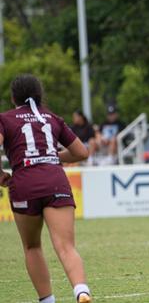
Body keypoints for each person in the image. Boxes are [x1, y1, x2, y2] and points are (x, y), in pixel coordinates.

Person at [0, 75, 92, 303]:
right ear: (40, 96)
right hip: (55, 180)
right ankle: (81, 290)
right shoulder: (52, 118)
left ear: (13, 98)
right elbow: (82, 152)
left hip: (24, 183)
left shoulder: (4, 119)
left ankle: (47, 300)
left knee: (32, 246)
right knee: (66, 247)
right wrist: (50, 156)